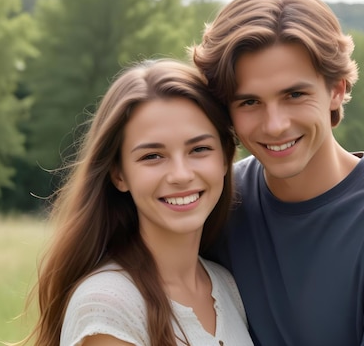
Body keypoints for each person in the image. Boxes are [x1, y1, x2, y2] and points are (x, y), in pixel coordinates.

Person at [191, 0, 364, 345]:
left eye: (294, 95)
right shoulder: (216, 203)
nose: (274, 125)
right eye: (250, 101)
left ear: (336, 89)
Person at [20, 59, 253, 346]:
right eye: (152, 156)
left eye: (199, 149)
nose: (180, 175)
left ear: (225, 157)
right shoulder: (109, 304)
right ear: (119, 174)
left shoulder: (226, 285)